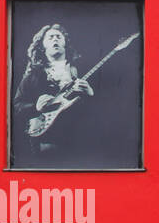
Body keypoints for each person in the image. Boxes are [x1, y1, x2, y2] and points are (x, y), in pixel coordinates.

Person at [11, 23, 97, 167]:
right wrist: (35, 107)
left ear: (65, 43)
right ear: (42, 45)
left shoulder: (82, 68)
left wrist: (90, 93)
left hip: (83, 141)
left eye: (59, 36)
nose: (55, 39)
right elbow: (16, 105)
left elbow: (109, 104)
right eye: (50, 37)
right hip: (48, 144)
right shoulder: (33, 76)